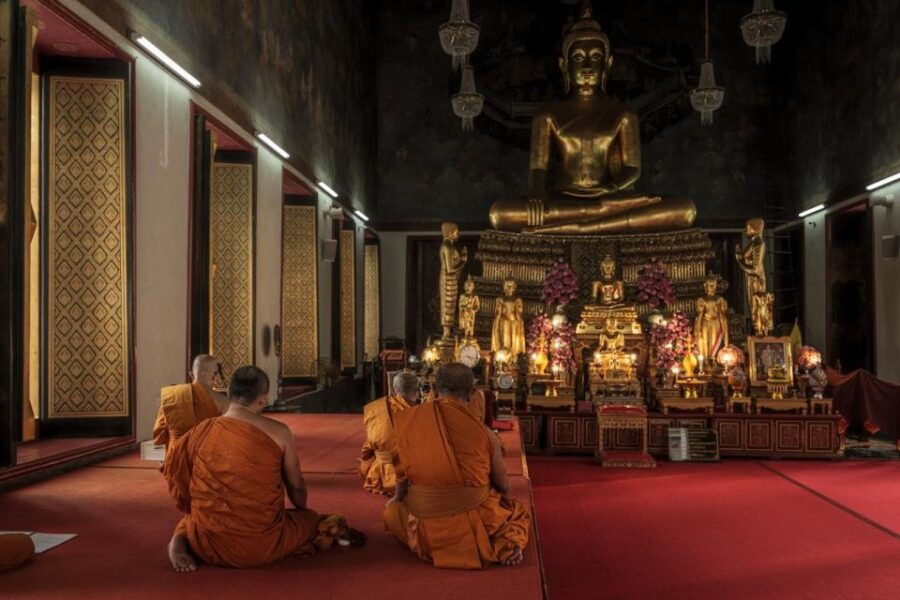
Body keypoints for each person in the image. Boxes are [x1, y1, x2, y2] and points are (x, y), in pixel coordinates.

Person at [165, 366, 363, 571]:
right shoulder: (278, 432)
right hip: (259, 545)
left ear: (229, 393)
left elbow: (179, 476)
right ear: (262, 399)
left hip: (206, 541)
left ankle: (179, 543)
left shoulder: (202, 430)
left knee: (191, 520)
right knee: (311, 520)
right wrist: (302, 512)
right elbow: (295, 487)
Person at [383, 363, 530, 569]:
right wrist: (502, 504)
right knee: (517, 511)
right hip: (474, 521)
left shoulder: (408, 422)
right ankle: (503, 541)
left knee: (391, 513)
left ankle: (435, 544)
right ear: (471, 394)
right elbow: (502, 484)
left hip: (425, 523)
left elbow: (402, 476)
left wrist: (397, 499)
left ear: (434, 389)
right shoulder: (485, 434)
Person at [152, 354, 228, 459]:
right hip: (207, 460)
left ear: (191, 374)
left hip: (177, 459)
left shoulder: (173, 395)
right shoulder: (222, 400)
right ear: (215, 376)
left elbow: (158, 437)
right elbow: (225, 437)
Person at [359, 372, 419, 495]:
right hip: (412, 474)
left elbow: (370, 444)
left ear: (394, 389)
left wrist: (366, 457)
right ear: (416, 390)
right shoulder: (420, 412)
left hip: (381, 473)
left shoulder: (375, 408)